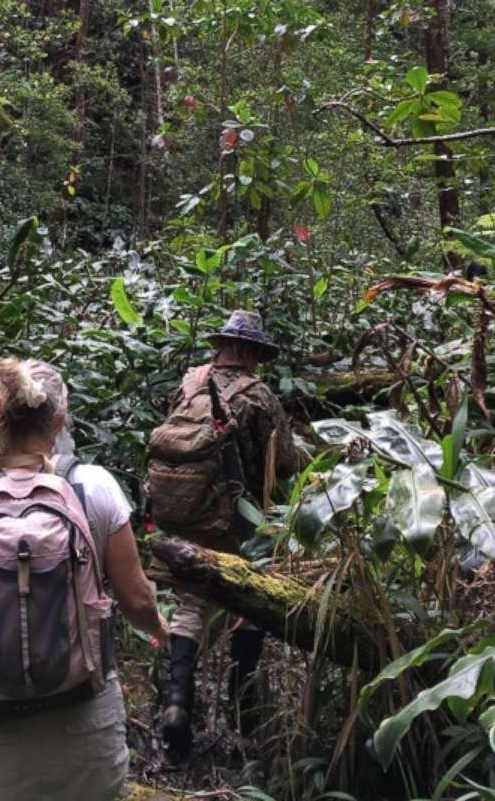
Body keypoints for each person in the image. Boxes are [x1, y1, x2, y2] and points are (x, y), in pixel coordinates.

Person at [0, 357, 169, 801]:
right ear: (59, 417)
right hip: (86, 715)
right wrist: (159, 629)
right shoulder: (94, 486)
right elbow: (134, 598)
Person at [151, 310, 297, 758]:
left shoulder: (188, 383)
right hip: (234, 520)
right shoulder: (259, 395)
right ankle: (242, 704)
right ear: (250, 351)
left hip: (182, 518)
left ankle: (177, 703)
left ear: (221, 347)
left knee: (191, 604)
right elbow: (286, 463)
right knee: (251, 598)